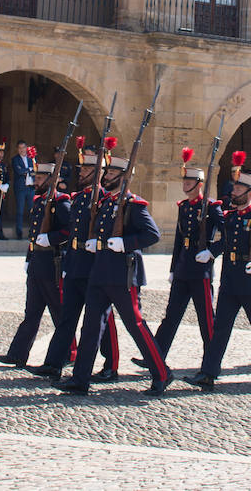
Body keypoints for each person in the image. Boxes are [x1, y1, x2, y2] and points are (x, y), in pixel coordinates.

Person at [53, 145, 170, 397]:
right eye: (108, 172)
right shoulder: (105, 202)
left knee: (135, 325)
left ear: (124, 176)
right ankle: (80, 379)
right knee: (90, 327)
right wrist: (97, 242)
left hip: (122, 275)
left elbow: (152, 234)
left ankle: (161, 372)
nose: (106, 176)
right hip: (100, 273)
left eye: (113, 172)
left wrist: (125, 244)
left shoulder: (133, 204)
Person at [184, 168, 251, 392]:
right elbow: (226, 242)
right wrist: (212, 252)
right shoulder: (231, 216)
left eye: (240, 188)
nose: (234, 191)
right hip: (230, 280)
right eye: (235, 187)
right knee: (220, 328)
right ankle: (208, 373)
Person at [29, 142, 120, 383]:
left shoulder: (104, 198)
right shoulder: (79, 197)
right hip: (76, 262)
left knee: (103, 320)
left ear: (96, 172)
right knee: (67, 318)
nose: (80, 172)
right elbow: (70, 230)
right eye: (80, 169)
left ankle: (111, 364)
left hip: (95, 264)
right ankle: (53, 363)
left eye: (85, 169)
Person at [0, 158, 72, 368]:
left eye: (39, 178)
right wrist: (29, 259)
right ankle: (17, 354)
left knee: (60, 313)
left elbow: (70, 231)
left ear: (51, 179)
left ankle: (69, 353)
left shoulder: (61, 203)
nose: (35, 181)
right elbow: (33, 235)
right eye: (35, 177)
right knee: (31, 313)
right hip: (37, 263)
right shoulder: (39, 202)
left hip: (53, 265)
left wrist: (52, 239)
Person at [150, 147, 224, 360]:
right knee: (171, 315)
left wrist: (211, 252)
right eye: (183, 182)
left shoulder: (211, 207)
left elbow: (227, 236)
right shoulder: (184, 206)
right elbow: (177, 241)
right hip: (183, 267)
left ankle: (210, 360)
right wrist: (173, 268)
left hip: (201, 270)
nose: (185, 185)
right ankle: (155, 355)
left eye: (188, 183)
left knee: (206, 318)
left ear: (199, 185)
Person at [11, 141, 34, 240]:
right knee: (20, 211)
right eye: (20, 148)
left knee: (32, 210)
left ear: (26, 148)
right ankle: (19, 232)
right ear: (17, 149)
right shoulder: (15, 159)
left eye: (23, 147)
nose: (22, 149)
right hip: (20, 188)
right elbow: (19, 171)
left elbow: (35, 170)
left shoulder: (31, 159)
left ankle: (33, 231)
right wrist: (29, 170)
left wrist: (27, 170)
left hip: (30, 187)